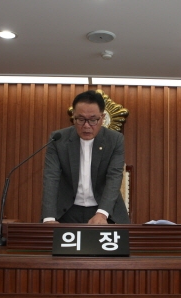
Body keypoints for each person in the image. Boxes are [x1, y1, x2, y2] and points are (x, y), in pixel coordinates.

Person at [41, 90, 130, 224]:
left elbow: (114, 176)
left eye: (93, 120)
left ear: (102, 118)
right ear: (73, 117)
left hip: (104, 210)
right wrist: (49, 218)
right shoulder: (58, 139)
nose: (86, 126)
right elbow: (51, 177)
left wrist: (102, 213)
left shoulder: (115, 140)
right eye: (81, 119)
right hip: (67, 211)